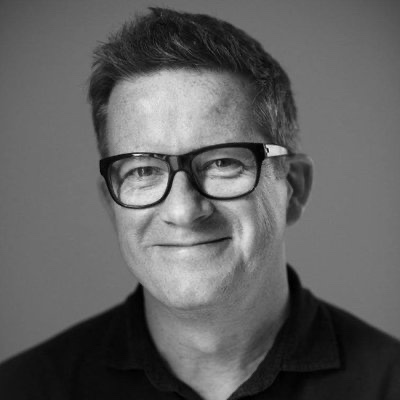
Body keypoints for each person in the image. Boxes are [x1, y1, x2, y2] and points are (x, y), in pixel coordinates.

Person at [0, 7, 399, 400]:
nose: (183, 211)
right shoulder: (22, 390)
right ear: (111, 204)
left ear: (293, 187)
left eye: (222, 163)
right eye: (143, 171)